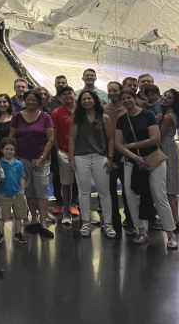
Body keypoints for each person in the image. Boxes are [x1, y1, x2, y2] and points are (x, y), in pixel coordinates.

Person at [114, 89, 177, 249]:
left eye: (129, 97)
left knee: (159, 194)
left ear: (135, 99)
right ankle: (141, 231)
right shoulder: (121, 120)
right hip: (133, 161)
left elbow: (155, 140)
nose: (127, 100)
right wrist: (134, 156)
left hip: (153, 160)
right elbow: (118, 144)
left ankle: (170, 234)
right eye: (124, 99)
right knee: (130, 195)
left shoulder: (148, 115)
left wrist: (133, 146)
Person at [68, 91, 116, 239]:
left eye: (89, 98)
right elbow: (72, 139)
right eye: (84, 99)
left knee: (104, 192)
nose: (87, 101)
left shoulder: (104, 117)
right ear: (80, 102)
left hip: (100, 156)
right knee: (83, 191)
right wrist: (71, 159)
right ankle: (86, 222)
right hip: (80, 157)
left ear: (95, 100)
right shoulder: (77, 118)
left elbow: (111, 139)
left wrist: (110, 158)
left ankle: (108, 224)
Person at [9, 89, 55, 238]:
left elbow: (51, 139)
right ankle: (33, 220)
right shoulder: (17, 117)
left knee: (41, 190)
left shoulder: (45, 117)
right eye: (28, 99)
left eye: (33, 100)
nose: (30, 102)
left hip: (40, 159)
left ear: (39, 102)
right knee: (28, 190)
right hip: (22, 159)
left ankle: (43, 222)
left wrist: (42, 157)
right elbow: (12, 137)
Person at [158, 89, 179, 229]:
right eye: (164, 96)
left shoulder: (167, 117)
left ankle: (173, 218)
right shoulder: (174, 115)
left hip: (165, 149)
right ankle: (176, 217)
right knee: (172, 188)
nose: (164, 98)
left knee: (167, 186)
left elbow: (159, 136)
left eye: (169, 98)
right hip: (171, 149)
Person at [104, 81, 129, 231]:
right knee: (110, 188)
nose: (112, 93)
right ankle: (114, 220)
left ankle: (130, 218)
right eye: (110, 91)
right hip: (109, 154)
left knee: (127, 188)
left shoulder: (127, 109)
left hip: (125, 152)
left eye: (115, 91)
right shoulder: (103, 110)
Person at [51, 86, 77, 226]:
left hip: (81, 152)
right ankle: (66, 212)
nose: (67, 96)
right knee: (66, 184)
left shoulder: (81, 110)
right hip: (65, 152)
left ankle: (85, 214)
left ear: (74, 94)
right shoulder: (56, 112)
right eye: (64, 94)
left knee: (83, 185)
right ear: (60, 97)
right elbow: (54, 134)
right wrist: (58, 151)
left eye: (70, 94)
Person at [0, 138, 27, 245]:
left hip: (17, 194)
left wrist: (22, 192)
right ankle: (0, 233)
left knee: (18, 215)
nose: (9, 151)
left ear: (15, 151)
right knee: (2, 216)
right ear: (2, 150)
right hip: (4, 194)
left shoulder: (19, 164)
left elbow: (22, 178)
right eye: (7, 149)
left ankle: (18, 233)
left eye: (12, 149)